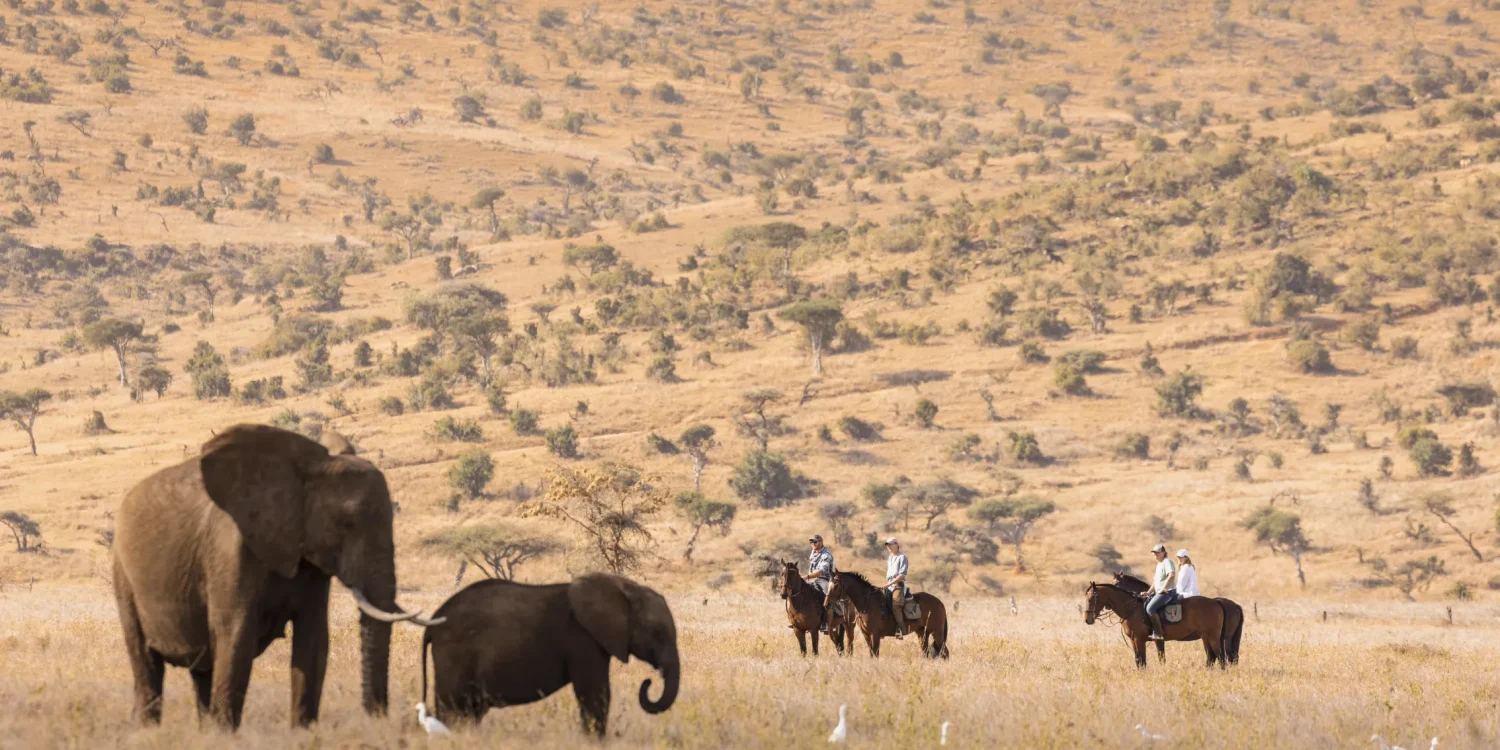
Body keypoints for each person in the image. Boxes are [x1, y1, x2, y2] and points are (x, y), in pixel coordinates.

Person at [1144, 543, 1177, 641]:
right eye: (1154, 553)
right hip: (1160, 592)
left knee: (1150, 608)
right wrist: (1148, 592)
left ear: (1163, 553)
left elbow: (1172, 575)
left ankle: (1158, 633)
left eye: (1157, 552)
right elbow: (1156, 582)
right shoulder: (1159, 564)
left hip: (1168, 592)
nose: (1155, 554)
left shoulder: (1167, 562)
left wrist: (1164, 588)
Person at [805, 535, 835, 634]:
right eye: (811, 542)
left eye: (815, 542)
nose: (813, 544)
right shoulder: (813, 552)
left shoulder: (826, 555)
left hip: (824, 579)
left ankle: (826, 624)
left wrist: (807, 577)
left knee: (826, 599)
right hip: (812, 579)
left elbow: (821, 572)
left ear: (821, 542)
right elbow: (811, 567)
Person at [884, 537, 909, 639]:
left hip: (898, 586)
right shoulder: (890, 558)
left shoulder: (902, 557)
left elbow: (902, 576)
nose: (889, 547)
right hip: (889, 585)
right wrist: (887, 584)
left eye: (890, 545)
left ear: (896, 545)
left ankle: (901, 629)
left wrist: (889, 584)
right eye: (887, 545)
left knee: (896, 604)